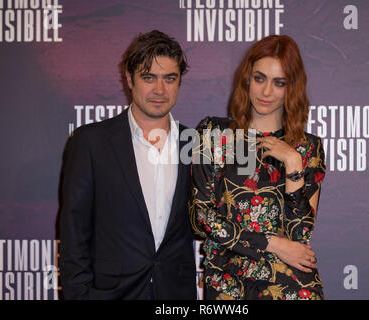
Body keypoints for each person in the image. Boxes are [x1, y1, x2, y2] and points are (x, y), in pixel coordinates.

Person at [59, 30, 197, 300]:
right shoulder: (91, 142)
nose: (160, 90)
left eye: (170, 78)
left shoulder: (194, 144)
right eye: (149, 78)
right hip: (110, 293)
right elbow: (74, 231)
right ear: (129, 78)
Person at [190, 35, 326, 300]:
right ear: (247, 78)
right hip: (228, 284)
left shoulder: (308, 148)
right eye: (260, 78)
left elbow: (300, 233)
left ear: (292, 87)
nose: (266, 92)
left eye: (279, 83)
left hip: (291, 287)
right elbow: (201, 218)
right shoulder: (214, 134)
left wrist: (293, 163)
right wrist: (272, 243)